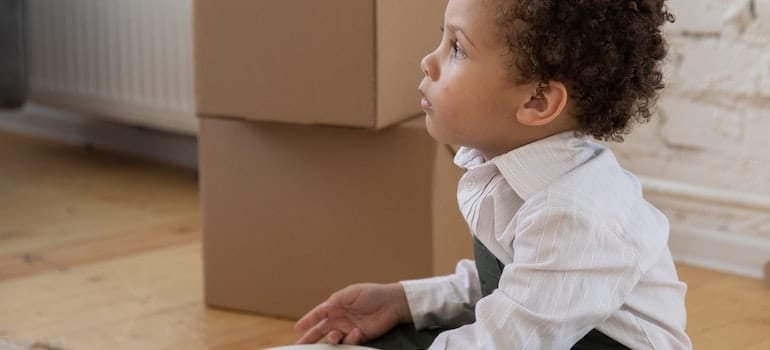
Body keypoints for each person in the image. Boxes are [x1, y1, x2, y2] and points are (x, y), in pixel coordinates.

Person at [295, 0, 691, 348]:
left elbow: (507, 340)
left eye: (457, 48)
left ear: (537, 100)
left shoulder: (571, 213)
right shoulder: (508, 170)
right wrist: (404, 301)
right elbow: (509, 287)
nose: (428, 62)